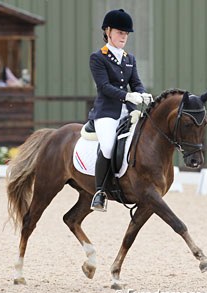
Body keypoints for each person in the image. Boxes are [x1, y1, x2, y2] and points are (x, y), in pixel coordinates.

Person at [88, 9, 154, 212]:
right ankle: (99, 192)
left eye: (126, 34)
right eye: (119, 32)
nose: (124, 36)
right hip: (107, 112)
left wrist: (142, 94)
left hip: (129, 112)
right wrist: (127, 96)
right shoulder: (98, 57)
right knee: (108, 147)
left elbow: (136, 83)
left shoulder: (129, 59)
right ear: (108, 32)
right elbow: (104, 87)